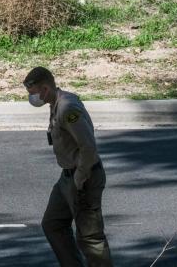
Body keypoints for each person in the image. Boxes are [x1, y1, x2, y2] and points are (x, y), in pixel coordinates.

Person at [23, 66, 114, 267]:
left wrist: (80, 179)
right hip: (67, 177)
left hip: (83, 176)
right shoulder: (54, 103)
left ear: (45, 89)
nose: (32, 98)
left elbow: (88, 147)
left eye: (34, 93)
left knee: (90, 239)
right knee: (53, 224)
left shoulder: (68, 108)